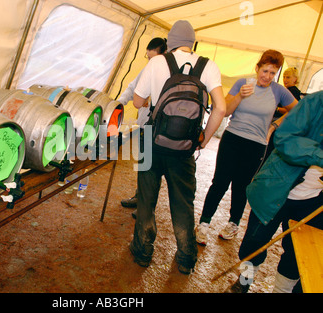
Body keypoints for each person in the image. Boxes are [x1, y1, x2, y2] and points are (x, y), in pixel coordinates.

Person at [129, 20, 226, 274]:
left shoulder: (157, 62)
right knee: (183, 202)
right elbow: (221, 108)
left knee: (147, 199)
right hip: (185, 149)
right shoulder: (209, 66)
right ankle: (185, 257)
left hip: (151, 141)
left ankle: (142, 251)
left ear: (170, 42)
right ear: (192, 43)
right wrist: (202, 139)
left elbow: (138, 102)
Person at [195, 50, 299, 245]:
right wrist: (239, 97)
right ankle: (204, 223)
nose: (268, 76)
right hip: (233, 139)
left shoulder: (278, 91)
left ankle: (233, 223)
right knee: (220, 182)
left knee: (242, 186)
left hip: (257, 145)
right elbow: (224, 111)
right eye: (265, 71)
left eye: (272, 73)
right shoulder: (242, 83)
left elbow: (299, 108)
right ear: (257, 68)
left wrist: (274, 126)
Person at [227, 91, 323, 293]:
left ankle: (282, 291)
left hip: (314, 200)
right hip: (276, 188)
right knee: (255, 240)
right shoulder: (316, 102)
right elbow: (284, 139)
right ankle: (244, 281)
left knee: (298, 254)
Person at [119, 37, 167, 214]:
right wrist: (119, 103)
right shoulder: (148, 69)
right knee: (143, 165)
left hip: (159, 129)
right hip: (144, 126)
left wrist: (151, 100)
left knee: (153, 168)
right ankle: (140, 197)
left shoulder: (169, 74)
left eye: (153, 58)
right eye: (148, 58)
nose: (150, 62)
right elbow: (133, 87)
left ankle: (146, 207)